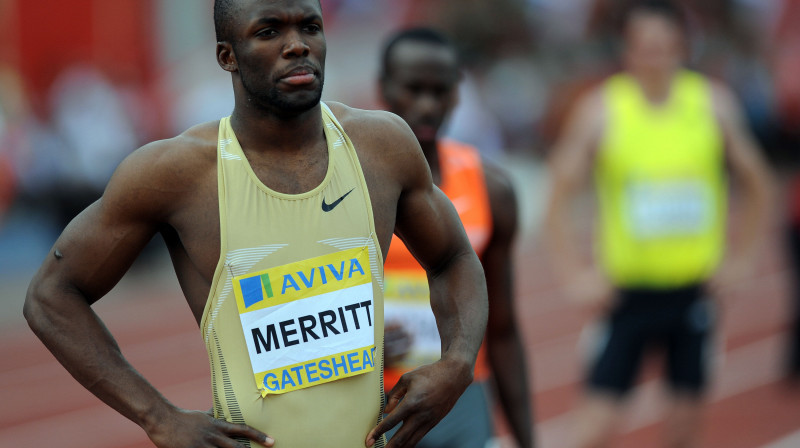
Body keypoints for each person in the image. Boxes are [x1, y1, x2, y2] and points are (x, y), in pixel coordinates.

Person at [22, 1, 489, 447]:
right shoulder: (177, 174)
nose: (297, 45)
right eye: (269, 32)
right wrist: (157, 417)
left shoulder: (381, 147)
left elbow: (453, 256)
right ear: (227, 56)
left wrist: (457, 362)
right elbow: (51, 296)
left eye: (310, 27)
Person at [544, 1, 772, 447]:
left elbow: (759, 182)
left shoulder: (713, 104)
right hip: (627, 298)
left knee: (684, 429)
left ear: (683, 47)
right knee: (593, 428)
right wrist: (573, 274)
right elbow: (558, 194)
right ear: (626, 50)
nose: (656, 57)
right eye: (645, 47)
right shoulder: (601, 111)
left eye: (666, 46)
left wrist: (742, 258)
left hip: (695, 294)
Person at [377, 28, 534, 448]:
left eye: (439, 91)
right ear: (384, 88)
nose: (427, 105)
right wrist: (364, 346)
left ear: (457, 95)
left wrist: (527, 438)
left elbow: (502, 327)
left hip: (460, 397)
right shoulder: (348, 189)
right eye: (413, 89)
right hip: (375, 399)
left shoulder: (492, 189)